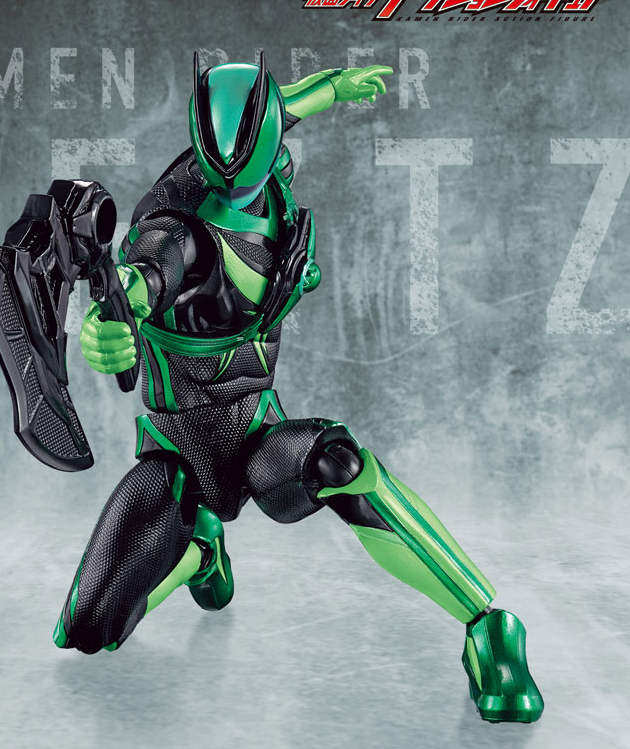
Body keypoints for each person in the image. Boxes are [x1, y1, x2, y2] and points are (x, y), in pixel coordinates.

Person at [53, 54, 543, 724]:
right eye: (219, 169)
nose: (231, 186)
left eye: (251, 159)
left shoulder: (272, 167)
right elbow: (143, 278)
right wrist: (109, 323)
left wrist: (335, 87)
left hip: (260, 435)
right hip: (178, 452)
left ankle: (488, 623)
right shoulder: (178, 232)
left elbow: (284, 104)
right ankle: (200, 551)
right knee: (88, 629)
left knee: (340, 463)